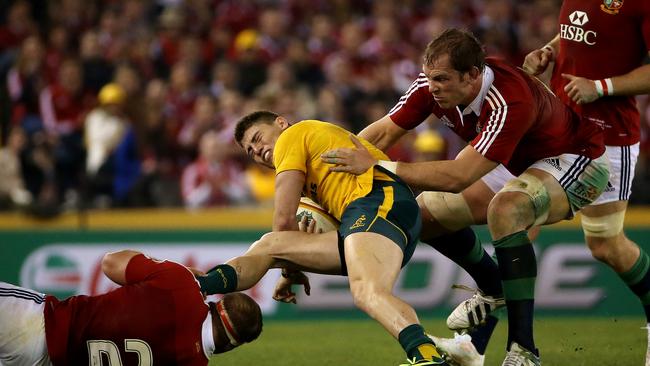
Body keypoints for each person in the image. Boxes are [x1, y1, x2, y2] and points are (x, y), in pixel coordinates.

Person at [320, 28, 609, 366]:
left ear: (473, 74)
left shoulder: (509, 98)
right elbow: (381, 133)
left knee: (506, 208)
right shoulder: (432, 86)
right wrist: (326, 177)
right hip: (515, 161)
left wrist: (380, 166)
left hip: (577, 161)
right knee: (422, 215)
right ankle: (493, 286)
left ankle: (524, 351)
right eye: (429, 77)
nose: (432, 87)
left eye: (441, 79)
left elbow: (459, 177)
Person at [198, 110, 450, 366]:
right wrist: (290, 269)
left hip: (379, 202)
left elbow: (283, 220)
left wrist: (289, 268)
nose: (257, 149)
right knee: (269, 246)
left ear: (281, 123)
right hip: (380, 216)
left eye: (258, 137)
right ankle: (201, 286)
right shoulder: (314, 169)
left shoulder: (292, 136)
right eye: (250, 150)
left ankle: (427, 357)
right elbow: (284, 235)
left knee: (366, 291)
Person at [522, 2, 650, 365]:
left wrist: (601, 86)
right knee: (517, 216)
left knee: (605, 245)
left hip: (610, 137)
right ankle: (482, 342)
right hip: (561, 126)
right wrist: (549, 50)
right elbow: (578, 35)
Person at [0, 249, 263, 365]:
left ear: (218, 303)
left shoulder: (181, 285)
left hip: (43, 326)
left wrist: (179, 272)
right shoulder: (193, 362)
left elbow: (110, 263)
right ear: (233, 345)